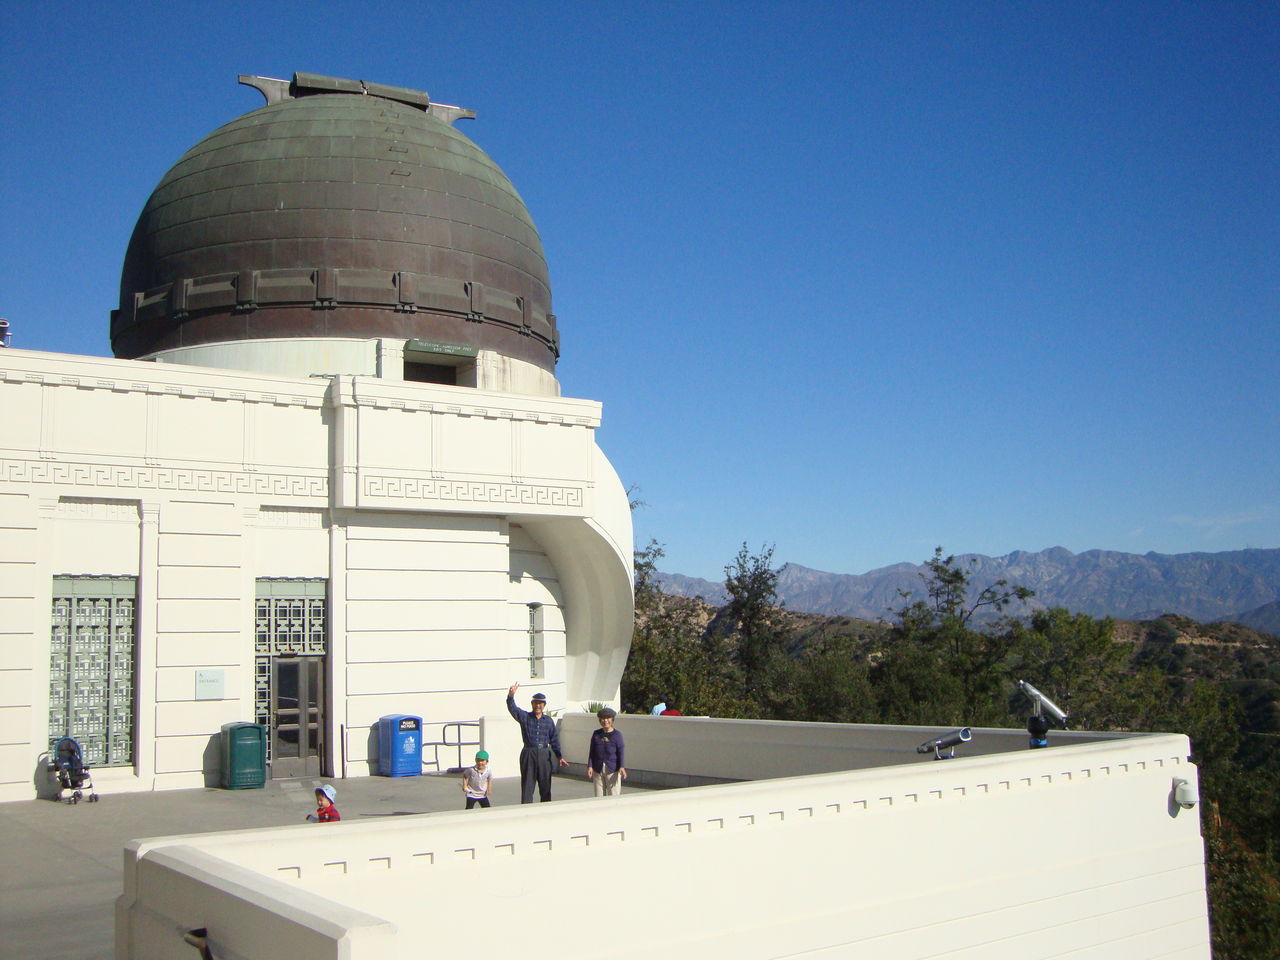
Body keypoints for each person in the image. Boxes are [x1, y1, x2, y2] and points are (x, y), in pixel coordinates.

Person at [506, 682, 567, 803]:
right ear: (532, 704)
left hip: (544, 753)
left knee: (545, 786)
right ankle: (526, 811)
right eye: (535, 703)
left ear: (544, 705)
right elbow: (513, 709)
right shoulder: (525, 717)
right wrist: (511, 696)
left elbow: (554, 739)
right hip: (529, 753)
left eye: (540, 703)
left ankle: (544, 812)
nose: (537, 706)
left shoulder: (548, 721)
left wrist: (559, 756)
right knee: (527, 786)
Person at [586, 707, 626, 797]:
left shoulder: (617, 735)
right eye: (603, 718)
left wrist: (621, 767)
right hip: (597, 769)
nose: (605, 721)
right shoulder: (596, 734)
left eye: (608, 718)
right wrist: (590, 766)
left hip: (612, 769)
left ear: (612, 720)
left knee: (614, 795)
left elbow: (621, 752)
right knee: (599, 796)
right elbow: (592, 751)